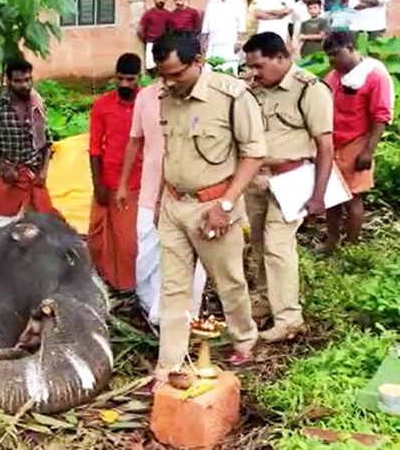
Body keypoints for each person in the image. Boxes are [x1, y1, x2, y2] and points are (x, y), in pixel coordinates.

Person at [150, 34, 264, 381]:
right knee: (173, 287)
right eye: (162, 74)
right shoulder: (166, 97)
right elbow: (170, 154)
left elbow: (254, 154)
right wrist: (159, 201)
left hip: (215, 205)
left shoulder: (231, 96)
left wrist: (226, 205)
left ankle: (244, 340)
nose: (169, 82)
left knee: (228, 281)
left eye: (176, 73)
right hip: (174, 205)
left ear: (198, 61)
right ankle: (169, 364)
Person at [243, 32, 334, 341]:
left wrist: (318, 195)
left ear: (281, 57)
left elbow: (325, 146)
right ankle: (264, 301)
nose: (254, 72)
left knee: (278, 246)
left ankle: (288, 318)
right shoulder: (255, 89)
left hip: (292, 178)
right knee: (257, 243)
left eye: (259, 65)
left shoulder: (310, 89)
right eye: (250, 67)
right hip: (256, 178)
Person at [115, 79, 207, 328]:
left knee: (183, 258)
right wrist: (123, 183)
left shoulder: (201, 96)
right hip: (149, 190)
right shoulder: (145, 96)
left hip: (187, 194)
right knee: (147, 255)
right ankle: (150, 312)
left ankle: (183, 320)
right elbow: (135, 141)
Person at [322, 32, 395, 252]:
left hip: (357, 143)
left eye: (336, 55)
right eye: (329, 57)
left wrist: (368, 152)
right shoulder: (333, 76)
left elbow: (381, 116)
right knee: (332, 198)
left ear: (351, 48)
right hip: (332, 143)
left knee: (353, 198)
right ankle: (332, 242)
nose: (332, 61)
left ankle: (351, 247)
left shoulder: (374, 77)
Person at [88, 54, 144, 291]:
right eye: (120, 79)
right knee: (96, 236)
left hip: (135, 183)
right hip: (106, 180)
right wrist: (97, 184)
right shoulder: (102, 104)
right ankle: (101, 281)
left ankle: (128, 287)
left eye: (130, 79)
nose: (124, 85)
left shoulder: (148, 102)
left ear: (139, 78)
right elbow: (94, 147)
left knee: (126, 242)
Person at [0, 57, 59, 217]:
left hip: (33, 176)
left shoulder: (36, 105)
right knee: (1, 226)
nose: (24, 85)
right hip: (9, 178)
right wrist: (3, 167)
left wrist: (43, 172)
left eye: (28, 80)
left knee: (47, 225)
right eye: (18, 81)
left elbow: (46, 143)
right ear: (8, 81)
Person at [201, 0, 246, 71]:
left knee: (229, 70)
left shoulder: (238, 3)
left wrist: (239, 41)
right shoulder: (212, 3)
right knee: (211, 70)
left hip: (230, 43)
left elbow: (241, 24)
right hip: (213, 43)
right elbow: (206, 25)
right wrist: (204, 42)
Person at [139, 0, 172, 71]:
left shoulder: (168, 14)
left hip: (164, 43)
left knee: (163, 63)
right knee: (150, 65)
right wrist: (146, 39)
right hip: (151, 42)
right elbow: (141, 28)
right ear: (154, 0)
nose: (160, 1)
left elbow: (170, 28)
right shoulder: (149, 14)